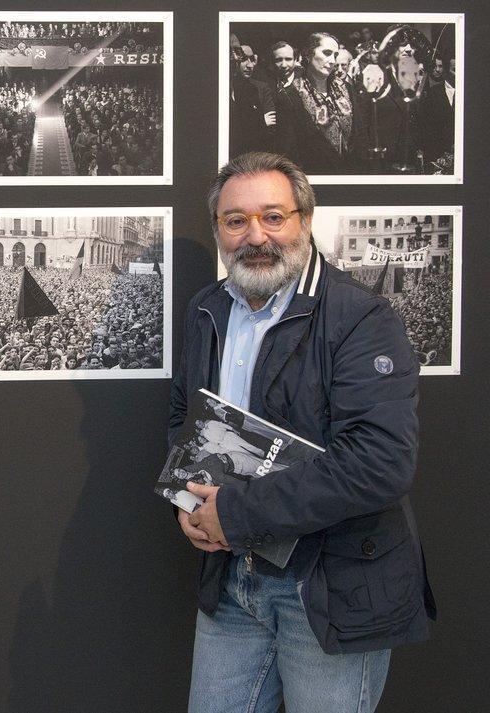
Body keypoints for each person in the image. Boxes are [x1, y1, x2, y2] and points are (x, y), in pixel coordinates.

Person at [171, 152, 435, 712]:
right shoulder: (206, 310)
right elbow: (186, 416)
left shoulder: (361, 317)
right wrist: (187, 498)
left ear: (305, 220)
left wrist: (236, 512)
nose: (256, 236)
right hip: (232, 579)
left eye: (273, 216)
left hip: (327, 584)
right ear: (218, 229)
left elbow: (380, 462)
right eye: (235, 220)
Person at [273, 33, 352, 173]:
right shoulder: (289, 96)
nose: (332, 61)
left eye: (335, 55)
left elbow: (359, 135)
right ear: (308, 54)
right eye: (327, 53)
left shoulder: (347, 89)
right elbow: (288, 153)